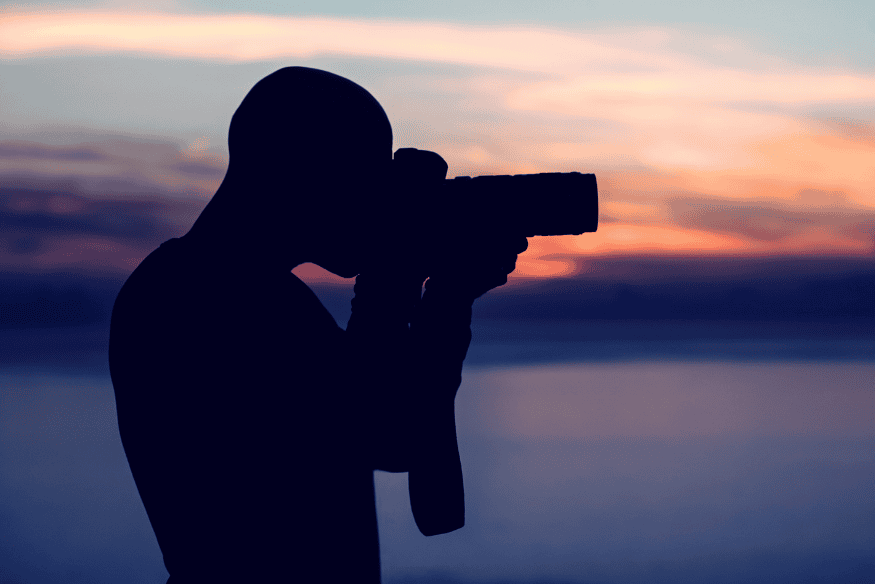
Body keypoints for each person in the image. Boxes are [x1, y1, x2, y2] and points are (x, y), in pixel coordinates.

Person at [108, 66, 527, 583]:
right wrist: (394, 280)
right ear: (303, 170)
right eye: (367, 175)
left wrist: (447, 296)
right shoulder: (188, 296)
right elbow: (377, 433)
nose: (378, 201)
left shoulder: (255, 292)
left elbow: (400, 433)